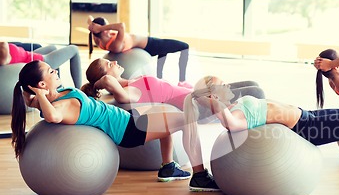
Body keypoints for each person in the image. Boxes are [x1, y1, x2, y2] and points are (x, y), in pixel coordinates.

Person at [182, 75, 339, 195]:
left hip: (307, 116)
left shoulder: (235, 105)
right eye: (223, 85)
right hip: (306, 127)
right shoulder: (233, 114)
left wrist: (218, 101)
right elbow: (232, 126)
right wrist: (216, 105)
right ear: (215, 95)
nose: (228, 85)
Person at [11, 60, 219, 191]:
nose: (55, 71)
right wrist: (39, 95)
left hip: (127, 118)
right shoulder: (62, 106)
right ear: (41, 85)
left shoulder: (56, 94)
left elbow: (29, 100)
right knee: (186, 119)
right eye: (50, 72)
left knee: (170, 113)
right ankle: (199, 176)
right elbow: (53, 117)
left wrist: (36, 95)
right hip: (128, 130)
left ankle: (168, 168)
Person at [81, 57, 266, 112]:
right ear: (104, 76)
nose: (113, 62)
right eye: (108, 64)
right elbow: (106, 81)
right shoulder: (129, 92)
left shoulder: (133, 82)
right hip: (199, 105)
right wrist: (97, 84)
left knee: (253, 84)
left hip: (198, 93)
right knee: (256, 91)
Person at [87, 16, 190, 86]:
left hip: (145, 47)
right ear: (104, 31)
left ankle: (160, 77)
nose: (110, 28)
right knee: (185, 47)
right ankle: (182, 80)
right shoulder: (115, 45)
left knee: (163, 52)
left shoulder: (99, 41)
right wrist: (102, 27)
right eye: (107, 27)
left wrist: (92, 25)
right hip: (149, 45)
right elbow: (121, 26)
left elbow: (89, 19)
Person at [0, 41, 82, 88]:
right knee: (74, 49)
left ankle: (57, 88)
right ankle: (80, 90)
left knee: (52, 48)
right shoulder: (3, 56)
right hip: (38, 64)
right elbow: (4, 54)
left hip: (30, 55)